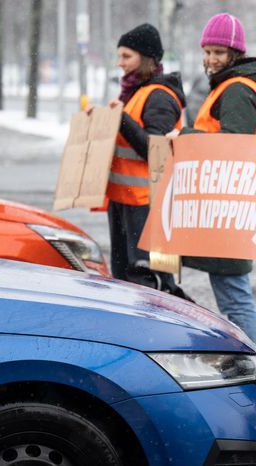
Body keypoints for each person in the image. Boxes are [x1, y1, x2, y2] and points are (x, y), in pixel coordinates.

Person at [172, 12, 256, 350]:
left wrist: (184, 135)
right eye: (207, 51)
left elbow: (233, 144)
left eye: (219, 52)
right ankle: (249, 360)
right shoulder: (232, 84)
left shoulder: (237, 89)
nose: (210, 59)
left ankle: (254, 362)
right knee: (231, 292)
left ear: (235, 54)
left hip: (229, 205)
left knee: (234, 295)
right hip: (226, 202)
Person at [99, 23, 185, 295]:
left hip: (148, 206)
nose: (119, 63)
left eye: (126, 56)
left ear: (146, 58)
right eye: (119, 56)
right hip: (126, 201)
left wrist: (121, 119)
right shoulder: (134, 92)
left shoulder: (159, 96)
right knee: (126, 279)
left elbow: (154, 150)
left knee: (150, 283)